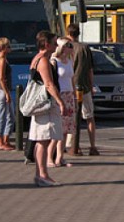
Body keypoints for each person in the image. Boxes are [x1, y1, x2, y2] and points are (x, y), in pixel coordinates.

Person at [29, 31, 67, 187]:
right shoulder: (43, 60)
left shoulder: (36, 59)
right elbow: (48, 84)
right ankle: (43, 174)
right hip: (45, 105)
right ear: (46, 44)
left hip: (40, 105)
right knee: (44, 139)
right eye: (54, 42)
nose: (56, 45)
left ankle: (40, 174)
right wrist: (60, 101)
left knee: (41, 140)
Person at [66, 24, 99, 156]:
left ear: (68, 33)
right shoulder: (85, 48)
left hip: (70, 86)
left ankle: (75, 146)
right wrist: (91, 86)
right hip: (84, 87)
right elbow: (90, 70)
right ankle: (92, 146)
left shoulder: (66, 48)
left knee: (73, 118)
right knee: (89, 117)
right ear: (78, 33)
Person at [47, 38, 75, 168]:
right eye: (69, 45)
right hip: (60, 95)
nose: (71, 48)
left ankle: (60, 157)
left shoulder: (69, 61)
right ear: (62, 47)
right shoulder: (54, 61)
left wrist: (74, 95)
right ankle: (49, 158)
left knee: (66, 130)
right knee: (57, 129)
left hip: (69, 95)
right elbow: (51, 81)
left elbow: (72, 79)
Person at [0, 37, 16, 151]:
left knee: (11, 116)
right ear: (2, 48)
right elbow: (1, 78)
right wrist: (7, 93)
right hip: (1, 91)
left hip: (3, 90)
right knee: (2, 116)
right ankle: (0, 142)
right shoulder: (1, 60)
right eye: (8, 46)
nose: (10, 48)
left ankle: (6, 140)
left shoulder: (2, 59)